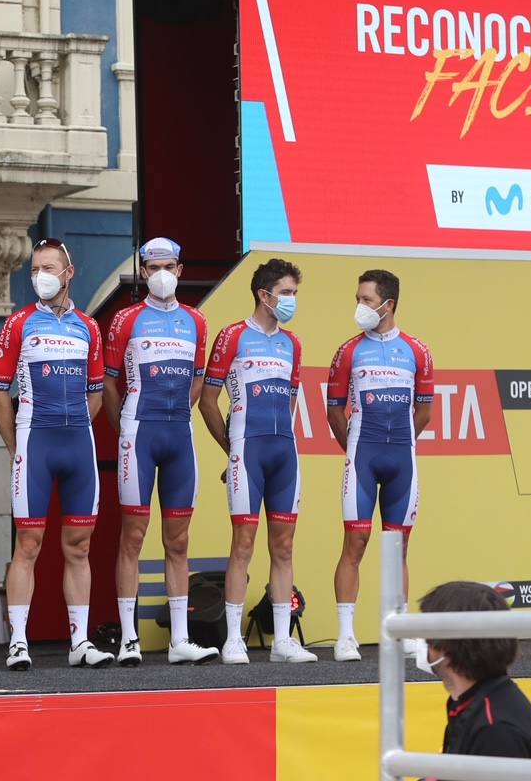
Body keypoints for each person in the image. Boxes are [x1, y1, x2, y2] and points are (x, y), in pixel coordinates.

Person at [0, 237, 113, 670]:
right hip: (35, 442)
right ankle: (18, 642)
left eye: (49, 268)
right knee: (29, 542)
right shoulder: (19, 323)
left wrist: (76, 425)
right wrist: (16, 445)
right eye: (35, 269)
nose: (41, 276)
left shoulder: (89, 327)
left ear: (68, 272)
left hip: (78, 444)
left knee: (78, 546)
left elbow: (96, 394)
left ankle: (80, 641)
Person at [103, 237, 217, 666]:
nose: (163, 274)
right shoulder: (125, 320)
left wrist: (176, 414)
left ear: (180, 269)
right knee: (132, 537)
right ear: (144, 272)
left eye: (169, 266)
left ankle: (180, 640)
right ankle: (129, 638)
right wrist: (125, 429)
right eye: (154, 268)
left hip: (179, 437)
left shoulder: (197, 322)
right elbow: (110, 383)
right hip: (139, 433)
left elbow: (198, 380)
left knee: (179, 540)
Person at [199, 257, 316, 665]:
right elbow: (208, 401)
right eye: (286, 293)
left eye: (294, 293)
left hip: (285, 455)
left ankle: (283, 640)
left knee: (283, 547)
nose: (292, 300)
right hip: (247, 452)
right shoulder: (233, 336)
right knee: (243, 545)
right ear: (265, 295)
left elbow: (291, 403)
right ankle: (234, 639)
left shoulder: (293, 344)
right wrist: (228, 447)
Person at [327, 269, 434, 662]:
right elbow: (334, 411)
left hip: (401, 458)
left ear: (388, 305)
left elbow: (424, 411)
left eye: (367, 300)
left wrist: (400, 443)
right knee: (355, 543)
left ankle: (400, 632)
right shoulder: (348, 351)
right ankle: (345, 635)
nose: (359, 306)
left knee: (398, 548)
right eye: (358, 298)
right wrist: (355, 447)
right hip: (363, 457)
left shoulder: (417, 350)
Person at [416, 581, 531, 763]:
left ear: (446, 648)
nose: (422, 642)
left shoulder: (495, 729)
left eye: (427, 634)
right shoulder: (473, 702)